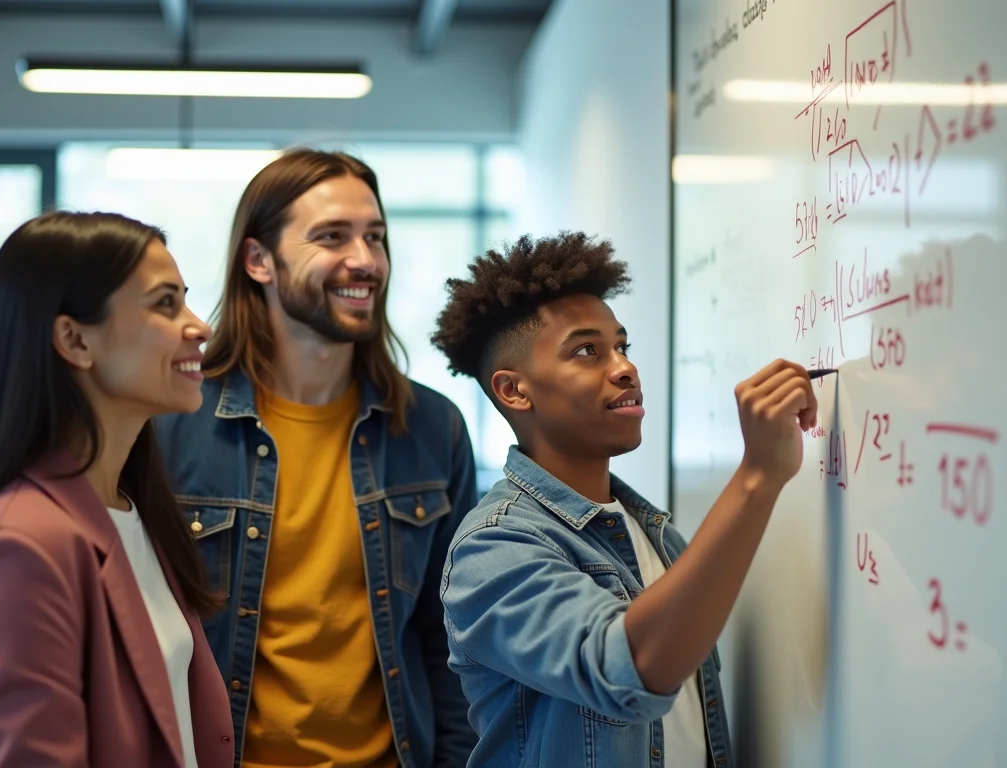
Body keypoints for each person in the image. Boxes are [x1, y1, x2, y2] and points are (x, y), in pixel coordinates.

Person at [429, 232, 819, 766]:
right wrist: (756, 477)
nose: (624, 367)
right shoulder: (493, 546)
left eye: (622, 346)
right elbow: (629, 670)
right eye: (587, 351)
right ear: (515, 391)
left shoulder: (653, 530)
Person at [153, 148, 478, 768]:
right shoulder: (173, 423)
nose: (364, 260)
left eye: (375, 237)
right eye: (332, 237)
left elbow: (453, 640)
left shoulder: (433, 428)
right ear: (258, 260)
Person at [0, 211, 234, 767]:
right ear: (74, 339)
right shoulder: (18, 548)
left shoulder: (131, 512)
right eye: (165, 304)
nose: (200, 327)